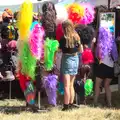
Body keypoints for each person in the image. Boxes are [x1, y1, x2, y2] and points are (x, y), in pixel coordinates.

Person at [59, 20, 82, 111]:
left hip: (67, 60)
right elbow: (81, 50)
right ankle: (71, 103)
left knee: (66, 85)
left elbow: (59, 50)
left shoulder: (63, 38)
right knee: (71, 85)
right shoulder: (76, 37)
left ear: (64, 28)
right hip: (75, 59)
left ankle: (66, 106)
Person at [94, 27, 118, 107]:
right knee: (107, 86)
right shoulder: (112, 42)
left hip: (102, 66)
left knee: (97, 85)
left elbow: (99, 56)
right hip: (110, 68)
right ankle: (109, 104)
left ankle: (95, 102)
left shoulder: (100, 43)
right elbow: (115, 57)